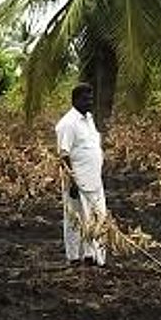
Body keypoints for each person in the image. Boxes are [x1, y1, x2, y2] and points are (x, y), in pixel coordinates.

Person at [55, 83, 107, 267]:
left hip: (94, 180)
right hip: (77, 183)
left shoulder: (89, 119)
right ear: (75, 100)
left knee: (96, 218)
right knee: (74, 220)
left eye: (91, 99)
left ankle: (91, 255)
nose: (89, 102)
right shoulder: (67, 124)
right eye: (85, 99)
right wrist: (72, 183)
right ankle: (74, 258)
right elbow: (63, 155)